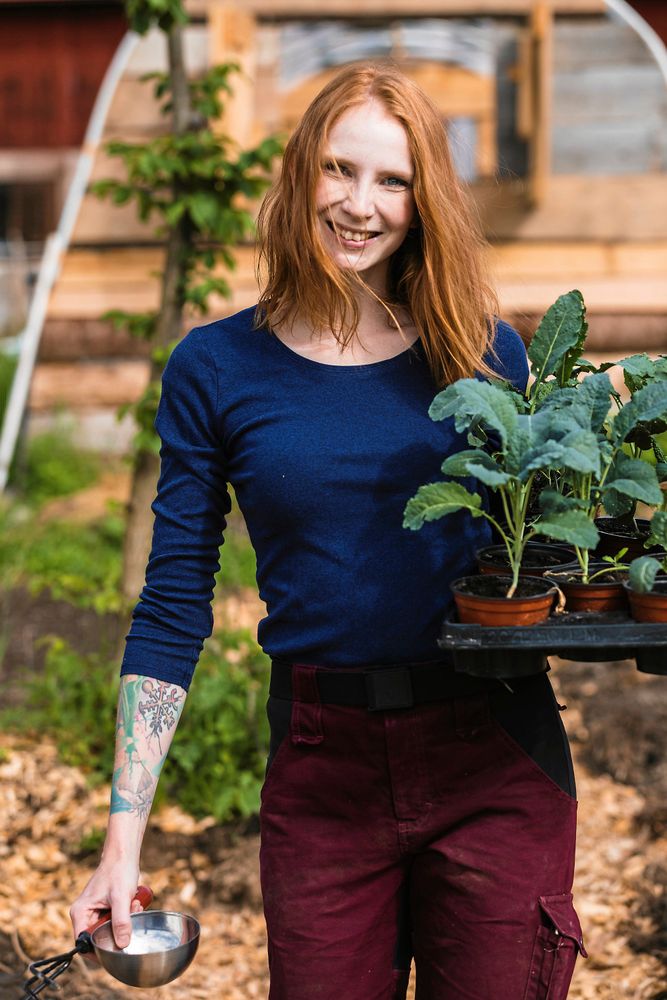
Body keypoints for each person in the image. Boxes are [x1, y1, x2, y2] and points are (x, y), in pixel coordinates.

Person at [70, 63, 586, 999]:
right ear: (300, 169)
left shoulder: (479, 352)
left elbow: (545, 545)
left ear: (423, 201)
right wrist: (121, 843)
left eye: (392, 180)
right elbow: (174, 604)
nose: (360, 204)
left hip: (492, 753)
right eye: (339, 169)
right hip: (323, 765)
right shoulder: (217, 367)